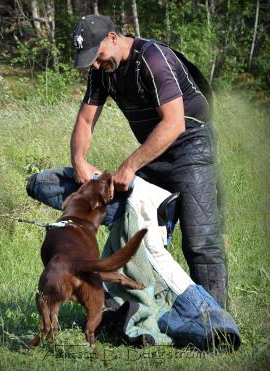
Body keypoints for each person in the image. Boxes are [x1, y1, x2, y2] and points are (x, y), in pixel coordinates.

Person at [70, 14, 227, 308]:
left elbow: (174, 124)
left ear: (113, 38)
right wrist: (79, 159)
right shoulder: (101, 72)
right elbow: (85, 119)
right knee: (137, 235)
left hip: (191, 147)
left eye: (97, 55)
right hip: (154, 150)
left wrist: (130, 167)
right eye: (89, 60)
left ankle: (216, 324)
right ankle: (130, 312)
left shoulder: (153, 58)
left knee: (200, 242)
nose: (94, 65)